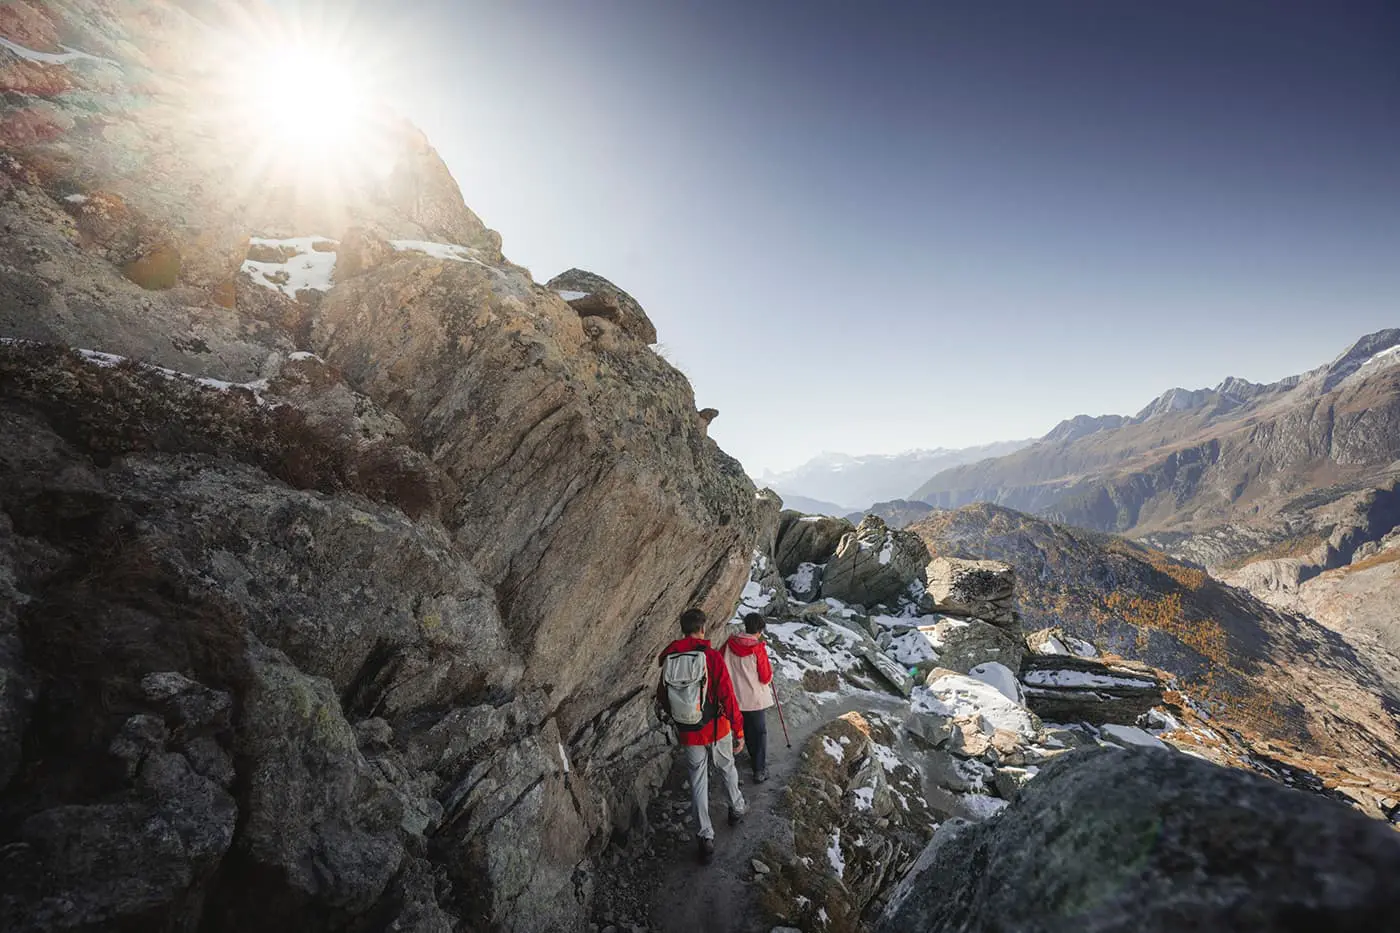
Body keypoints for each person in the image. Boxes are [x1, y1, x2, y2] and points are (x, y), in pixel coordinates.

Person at [657, 607, 747, 864]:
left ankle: (704, 835)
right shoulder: (710, 656)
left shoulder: (671, 656)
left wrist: (678, 718)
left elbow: (662, 695)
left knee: (697, 780)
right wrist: (738, 730)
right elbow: (728, 696)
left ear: (682, 628)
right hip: (716, 727)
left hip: (689, 730)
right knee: (726, 766)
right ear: (703, 628)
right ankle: (736, 807)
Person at [723, 612, 776, 783]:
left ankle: (733, 770)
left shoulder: (729, 644)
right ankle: (758, 769)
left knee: (738, 731)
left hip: (734, 698)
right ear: (759, 630)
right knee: (758, 732)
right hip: (754, 700)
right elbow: (765, 677)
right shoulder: (757, 649)